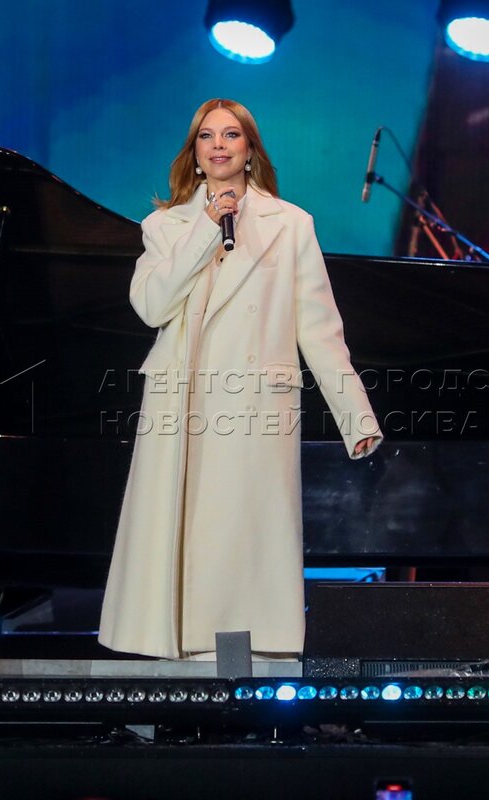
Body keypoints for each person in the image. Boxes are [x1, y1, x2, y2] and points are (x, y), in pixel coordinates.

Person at [98, 98, 382, 660]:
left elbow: (320, 329)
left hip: (255, 402)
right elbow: (151, 307)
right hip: (182, 402)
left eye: (231, 135)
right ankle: (182, 651)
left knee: (244, 535)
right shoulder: (165, 226)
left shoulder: (290, 224)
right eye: (207, 137)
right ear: (194, 154)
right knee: (187, 532)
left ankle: (247, 658)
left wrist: (356, 417)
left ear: (250, 150)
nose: (219, 145)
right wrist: (204, 229)